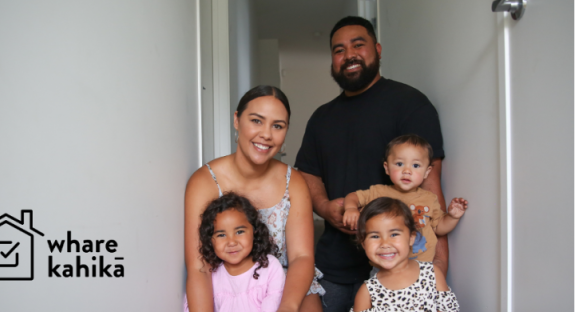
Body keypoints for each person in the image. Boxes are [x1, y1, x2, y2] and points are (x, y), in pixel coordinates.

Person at [295, 16, 447, 312]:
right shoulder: (321, 118)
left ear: (377, 49)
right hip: (334, 267)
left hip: (399, 267)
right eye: (338, 50)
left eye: (358, 44)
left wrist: (438, 266)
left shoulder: (410, 104)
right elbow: (307, 175)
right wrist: (325, 207)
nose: (348, 54)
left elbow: (431, 192)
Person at [185, 85, 324, 312]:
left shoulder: (294, 182)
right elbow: (198, 266)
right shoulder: (205, 181)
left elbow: (302, 257)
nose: (266, 134)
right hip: (229, 286)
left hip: (287, 285)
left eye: (277, 126)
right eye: (257, 121)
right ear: (237, 120)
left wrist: (287, 306)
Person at [342, 135, 467, 264]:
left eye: (416, 165)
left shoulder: (429, 199)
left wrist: (452, 217)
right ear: (387, 167)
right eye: (399, 164)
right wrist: (351, 208)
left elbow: (439, 228)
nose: (407, 171)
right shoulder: (378, 192)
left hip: (421, 264)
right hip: (385, 263)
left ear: (427, 172)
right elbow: (353, 196)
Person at [350, 197, 459, 312]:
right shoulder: (367, 292)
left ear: (411, 238)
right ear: (364, 244)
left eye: (394, 234)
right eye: (375, 236)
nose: (385, 244)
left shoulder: (431, 273)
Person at [184, 192, 286, 312]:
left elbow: (274, 303)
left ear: (254, 231)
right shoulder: (211, 276)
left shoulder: (270, 267)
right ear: (210, 240)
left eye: (239, 232)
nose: (231, 242)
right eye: (221, 235)